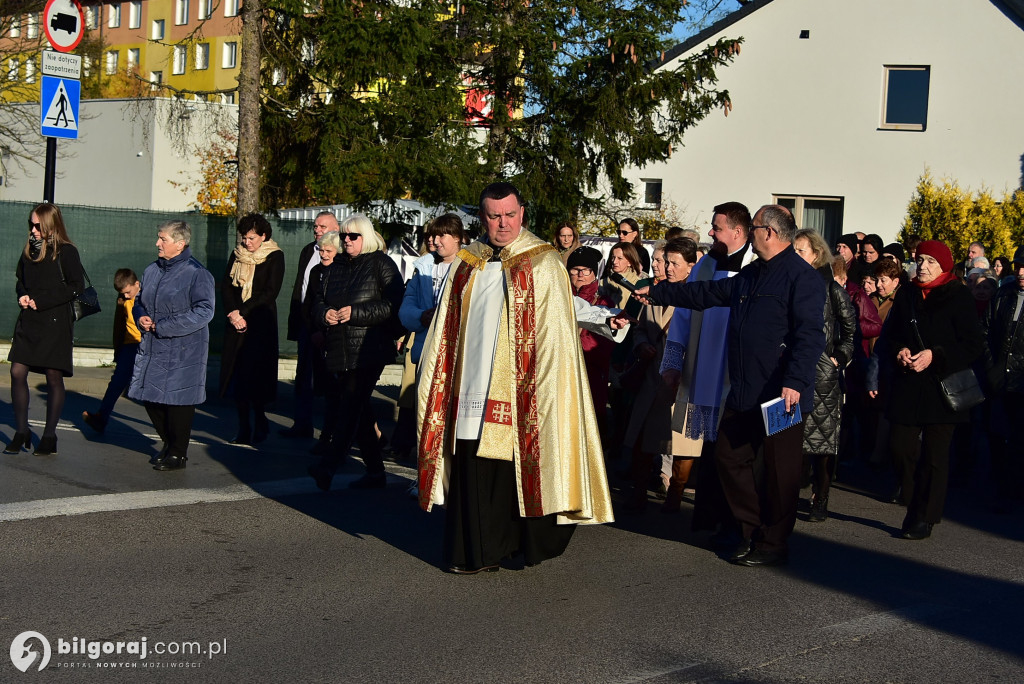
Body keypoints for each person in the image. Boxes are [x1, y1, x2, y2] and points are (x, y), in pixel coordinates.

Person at [416, 182, 615, 574]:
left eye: (510, 215)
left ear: (522, 213)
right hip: (469, 382)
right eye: (494, 216)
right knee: (473, 464)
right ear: (482, 217)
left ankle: (509, 546)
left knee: (512, 468)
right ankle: (472, 551)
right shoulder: (466, 261)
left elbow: (555, 341)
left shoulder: (543, 262)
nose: (502, 224)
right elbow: (446, 328)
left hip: (522, 387)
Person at [638, 205, 826, 566]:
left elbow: (809, 336)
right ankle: (749, 527)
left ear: (769, 233)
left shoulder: (803, 278)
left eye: (754, 228)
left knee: (779, 472)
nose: (751, 234)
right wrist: (661, 293)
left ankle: (773, 544)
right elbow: (707, 294)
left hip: (781, 395)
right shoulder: (754, 273)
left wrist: (795, 381)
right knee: (728, 455)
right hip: (744, 391)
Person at [661, 202, 756, 540]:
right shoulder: (705, 266)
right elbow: (684, 315)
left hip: (737, 371)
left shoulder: (755, 267)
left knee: (732, 450)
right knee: (711, 450)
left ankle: (733, 521)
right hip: (704, 368)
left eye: (716, 228)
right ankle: (707, 517)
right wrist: (672, 364)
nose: (711, 233)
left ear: (738, 232)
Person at [880, 240, 984, 539]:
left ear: (944, 266)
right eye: (920, 259)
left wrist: (935, 355)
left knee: (935, 457)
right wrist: (900, 350)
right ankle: (913, 502)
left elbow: (972, 345)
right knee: (900, 448)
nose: (923, 266)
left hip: (943, 388)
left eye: (930, 261)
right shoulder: (908, 294)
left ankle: (925, 516)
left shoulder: (959, 295)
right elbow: (892, 335)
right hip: (909, 384)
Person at [307, 215, 405, 491]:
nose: (347, 241)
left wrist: (356, 313)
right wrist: (324, 314)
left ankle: (328, 466)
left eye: (353, 236)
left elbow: (394, 305)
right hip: (340, 346)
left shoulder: (381, 264)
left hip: (370, 348)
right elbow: (318, 301)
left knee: (350, 403)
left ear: (366, 237)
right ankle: (375, 472)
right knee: (358, 408)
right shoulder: (335, 266)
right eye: (344, 236)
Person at [129, 220, 216, 471]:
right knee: (150, 397)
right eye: (159, 238)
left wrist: (163, 326)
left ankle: (178, 453)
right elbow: (139, 302)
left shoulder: (197, 273)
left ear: (180, 244)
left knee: (179, 402)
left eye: (163, 239)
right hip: (154, 347)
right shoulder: (152, 270)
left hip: (185, 349)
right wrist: (141, 315)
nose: (157, 243)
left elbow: (204, 311)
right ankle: (169, 444)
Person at [622, 237, 698, 513]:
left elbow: (702, 340)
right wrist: (642, 344)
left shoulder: (698, 295)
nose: (666, 267)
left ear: (691, 266)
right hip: (652, 377)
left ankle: (675, 494)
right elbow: (641, 326)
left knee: (683, 441)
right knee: (644, 437)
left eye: (673, 263)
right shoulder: (652, 290)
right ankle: (639, 491)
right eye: (665, 262)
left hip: (684, 380)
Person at [5, 203, 85, 456]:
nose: (34, 229)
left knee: (53, 376)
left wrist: (44, 301)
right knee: (17, 371)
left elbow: (76, 286)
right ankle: (21, 431)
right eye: (31, 224)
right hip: (29, 319)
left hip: (55, 321)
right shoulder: (29, 250)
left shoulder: (66, 251)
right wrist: (23, 296)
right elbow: (20, 280)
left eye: (38, 225)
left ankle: (49, 436)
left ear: (51, 225)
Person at [792, 229, 856, 522]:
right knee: (791, 438)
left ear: (816, 255)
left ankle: (821, 496)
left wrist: (838, 358)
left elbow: (850, 330)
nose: (795, 256)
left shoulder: (831, 289)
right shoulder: (788, 283)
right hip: (791, 369)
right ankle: (788, 493)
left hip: (823, 375)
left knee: (822, 442)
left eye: (801, 251)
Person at [220, 213, 285, 445]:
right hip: (236, 322)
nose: (246, 243)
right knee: (237, 377)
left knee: (255, 378)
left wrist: (243, 312)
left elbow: (270, 292)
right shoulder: (237, 255)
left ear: (263, 236)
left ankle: (260, 422)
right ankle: (243, 427)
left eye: (251, 238)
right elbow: (226, 285)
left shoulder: (274, 256)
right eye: (244, 238)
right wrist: (233, 313)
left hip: (259, 323)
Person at [281, 211, 338, 439]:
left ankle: (331, 431)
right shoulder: (308, 250)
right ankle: (301, 424)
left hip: (331, 326)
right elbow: (302, 288)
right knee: (304, 375)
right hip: (307, 323)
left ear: (335, 228)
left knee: (331, 380)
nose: (317, 231)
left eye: (323, 227)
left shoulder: (341, 252)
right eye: (315, 226)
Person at [982, 246, 1024, 512]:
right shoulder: (1003, 295)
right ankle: (1002, 489)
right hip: (999, 380)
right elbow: (984, 331)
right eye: (1018, 265)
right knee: (996, 436)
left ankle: (1015, 492)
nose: (1021, 272)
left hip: (1022, 384)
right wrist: (991, 368)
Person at [82, 269, 142, 435]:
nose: (127, 296)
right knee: (116, 383)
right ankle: (101, 418)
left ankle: (170, 433)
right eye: (123, 293)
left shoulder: (148, 295)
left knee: (149, 390)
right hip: (129, 346)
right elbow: (119, 325)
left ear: (137, 284)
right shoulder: (123, 298)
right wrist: (119, 349)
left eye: (129, 292)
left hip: (146, 346)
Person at [566, 246, 616, 434]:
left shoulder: (603, 303)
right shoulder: (560, 298)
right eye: (574, 269)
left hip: (590, 374)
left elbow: (602, 344)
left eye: (585, 270)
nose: (579, 274)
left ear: (594, 273)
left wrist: (573, 344)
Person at [306, 231, 341, 456]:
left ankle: (333, 438)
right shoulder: (317, 271)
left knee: (340, 394)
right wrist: (316, 330)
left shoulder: (341, 271)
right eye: (321, 250)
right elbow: (311, 302)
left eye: (329, 251)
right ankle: (328, 437)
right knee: (329, 392)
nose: (324, 254)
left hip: (338, 337)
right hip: (320, 335)